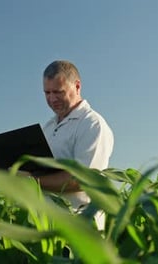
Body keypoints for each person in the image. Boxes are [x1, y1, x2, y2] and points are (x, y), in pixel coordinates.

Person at [31, 60, 114, 229]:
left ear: (77, 86)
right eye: (47, 92)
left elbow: (82, 179)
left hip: (79, 228)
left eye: (58, 92)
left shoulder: (92, 124)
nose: (52, 99)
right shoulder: (48, 127)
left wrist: (32, 181)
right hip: (46, 227)